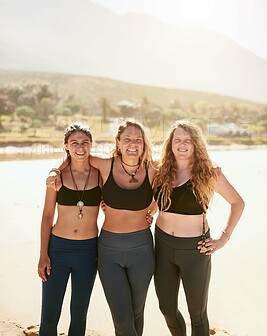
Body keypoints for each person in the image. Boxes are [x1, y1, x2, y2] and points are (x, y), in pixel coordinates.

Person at [46, 119, 157, 336]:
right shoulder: (105, 165)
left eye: (138, 139)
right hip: (109, 248)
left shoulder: (154, 168)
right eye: (127, 139)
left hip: (142, 248)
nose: (132, 144)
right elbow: (76, 157)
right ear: (118, 142)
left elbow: (178, 172)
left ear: (144, 143)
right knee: (122, 316)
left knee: (136, 312)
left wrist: (152, 209)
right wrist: (53, 170)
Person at [152, 120, 245, 336]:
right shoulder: (160, 169)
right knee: (166, 307)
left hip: (196, 250)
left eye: (188, 140)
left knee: (197, 314)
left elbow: (238, 203)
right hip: (163, 245)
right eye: (178, 140)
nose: (182, 144)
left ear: (196, 145)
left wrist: (223, 238)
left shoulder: (209, 174)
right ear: (170, 144)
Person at [38, 123, 102, 336]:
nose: (80, 147)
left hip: (88, 251)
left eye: (85, 142)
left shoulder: (100, 175)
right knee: (49, 314)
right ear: (66, 146)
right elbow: (47, 216)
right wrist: (43, 254)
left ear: (92, 144)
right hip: (59, 249)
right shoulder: (57, 178)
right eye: (74, 143)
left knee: (79, 313)